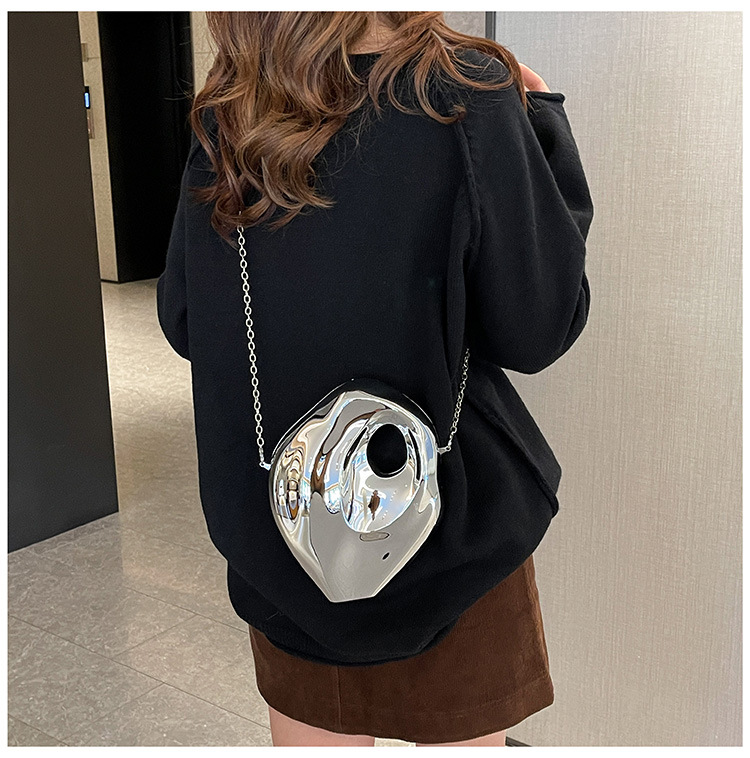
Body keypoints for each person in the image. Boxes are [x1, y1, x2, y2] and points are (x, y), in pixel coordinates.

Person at [157, 10, 594, 748]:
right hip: (455, 532)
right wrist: (544, 123)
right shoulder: (466, 92)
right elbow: (538, 326)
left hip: (290, 539)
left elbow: (184, 320)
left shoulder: (232, 111)